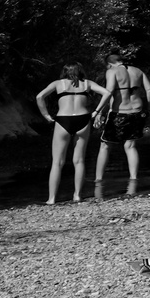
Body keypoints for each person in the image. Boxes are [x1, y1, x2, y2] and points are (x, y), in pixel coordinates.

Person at [33, 64, 107, 204]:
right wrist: (96, 111)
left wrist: (46, 115)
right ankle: (77, 196)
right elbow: (107, 93)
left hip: (63, 120)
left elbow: (39, 96)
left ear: (64, 72)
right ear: (80, 71)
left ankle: (51, 199)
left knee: (57, 162)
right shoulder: (87, 83)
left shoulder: (58, 83)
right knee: (79, 161)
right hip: (83, 119)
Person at [92, 51, 150, 198]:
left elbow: (109, 91)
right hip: (137, 111)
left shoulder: (112, 71)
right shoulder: (138, 71)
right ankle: (133, 181)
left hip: (120, 112)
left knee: (105, 145)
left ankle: (98, 181)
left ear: (109, 64)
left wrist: (99, 112)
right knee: (130, 146)